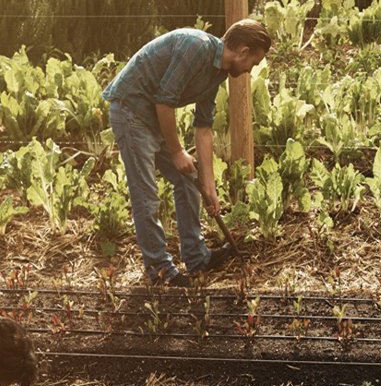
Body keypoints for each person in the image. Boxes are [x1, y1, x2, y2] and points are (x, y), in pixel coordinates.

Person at [103, 20, 272, 286]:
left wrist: (209, 185)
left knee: (189, 179)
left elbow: (203, 128)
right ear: (242, 51)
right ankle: (161, 272)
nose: (252, 69)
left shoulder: (217, 72)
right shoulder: (196, 47)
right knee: (146, 197)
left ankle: (197, 258)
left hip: (152, 116)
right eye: (254, 61)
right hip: (130, 110)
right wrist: (177, 151)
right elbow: (164, 101)